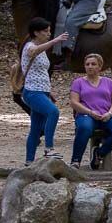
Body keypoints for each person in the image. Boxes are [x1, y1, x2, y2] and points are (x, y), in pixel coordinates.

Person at [21, 17, 69, 165]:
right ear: (36, 32)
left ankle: (29, 161)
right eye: (45, 31)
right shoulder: (30, 46)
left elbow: (40, 73)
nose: (49, 34)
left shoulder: (42, 49)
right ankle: (49, 148)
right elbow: (33, 52)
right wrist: (55, 41)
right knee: (53, 112)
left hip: (41, 91)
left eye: (49, 31)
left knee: (35, 129)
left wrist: (48, 92)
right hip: (32, 92)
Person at [69, 53, 112, 170]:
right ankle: (75, 161)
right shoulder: (78, 82)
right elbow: (74, 102)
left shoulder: (108, 82)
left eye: (93, 64)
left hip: (107, 116)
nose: (90, 66)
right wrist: (90, 112)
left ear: (99, 67)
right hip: (86, 115)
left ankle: (99, 153)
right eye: (87, 64)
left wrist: (110, 113)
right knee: (84, 128)